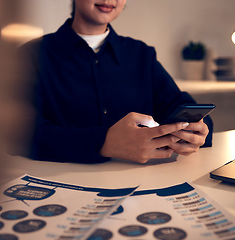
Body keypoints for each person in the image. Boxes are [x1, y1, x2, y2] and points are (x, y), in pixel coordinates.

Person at [19, 0, 213, 164]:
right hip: (59, 186)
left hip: (142, 185)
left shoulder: (141, 54)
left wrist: (197, 130)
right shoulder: (32, 55)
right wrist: (103, 142)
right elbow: (17, 134)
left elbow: (179, 105)